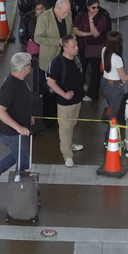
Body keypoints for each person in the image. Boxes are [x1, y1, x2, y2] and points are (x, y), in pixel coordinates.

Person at [0, 52, 36, 195]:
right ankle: (23, 195)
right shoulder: (11, 86)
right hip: (11, 133)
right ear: (24, 68)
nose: (31, 67)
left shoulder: (19, 80)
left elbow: (18, 103)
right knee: (23, 163)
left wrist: (27, 116)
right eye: (30, 65)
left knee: (15, 155)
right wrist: (19, 127)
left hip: (17, 132)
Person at [46, 35, 85, 167]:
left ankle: (69, 144)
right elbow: (51, 82)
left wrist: (82, 85)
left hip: (77, 99)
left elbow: (77, 73)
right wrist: (64, 94)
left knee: (71, 124)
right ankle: (67, 154)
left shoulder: (75, 59)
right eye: (73, 46)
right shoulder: (58, 63)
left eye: (77, 45)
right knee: (65, 128)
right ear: (65, 48)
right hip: (66, 103)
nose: (77, 48)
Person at [33, 0, 73, 128]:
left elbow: (70, 29)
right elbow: (38, 38)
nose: (66, 15)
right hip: (49, 60)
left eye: (68, 12)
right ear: (57, 8)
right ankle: (48, 120)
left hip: (64, 59)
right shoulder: (44, 18)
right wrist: (58, 41)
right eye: (64, 12)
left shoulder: (67, 14)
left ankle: (59, 115)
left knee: (62, 87)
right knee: (48, 92)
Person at [74, 0, 108, 101]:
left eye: (98, 7)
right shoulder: (80, 15)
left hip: (95, 47)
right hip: (82, 46)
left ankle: (92, 94)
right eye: (93, 7)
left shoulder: (102, 17)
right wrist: (86, 34)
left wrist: (91, 20)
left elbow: (96, 34)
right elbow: (75, 29)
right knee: (81, 69)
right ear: (88, 7)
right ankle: (81, 89)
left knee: (95, 72)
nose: (96, 9)